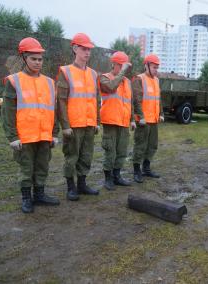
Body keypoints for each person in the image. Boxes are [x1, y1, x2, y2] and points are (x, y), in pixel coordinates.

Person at [2, 37, 60, 213]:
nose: (37, 62)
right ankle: (27, 198)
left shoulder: (50, 82)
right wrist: (13, 137)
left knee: (42, 166)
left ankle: (40, 194)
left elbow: (53, 110)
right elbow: (8, 112)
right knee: (27, 168)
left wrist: (54, 133)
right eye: (33, 59)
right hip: (25, 136)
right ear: (24, 58)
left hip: (44, 135)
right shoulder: (14, 81)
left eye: (40, 59)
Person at [56, 33, 100, 201]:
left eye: (89, 49)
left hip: (89, 123)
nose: (87, 52)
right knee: (71, 156)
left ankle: (82, 184)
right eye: (83, 49)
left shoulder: (93, 74)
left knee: (86, 155)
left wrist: (96, 121)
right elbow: (61, 101)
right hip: (73, 125)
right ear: (75, 49)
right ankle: (70, 187)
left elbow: (96, 99)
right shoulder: (66, 72)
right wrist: (65, 125)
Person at [99, 51, 136, 190]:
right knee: (110, 151)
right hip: (110, 121)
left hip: (124, 121)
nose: (124, 69)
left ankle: (117, 175)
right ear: (113, 64)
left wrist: (132, 119)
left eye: (125, 67)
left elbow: (129, 102)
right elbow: (111, 87)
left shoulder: (127, 82)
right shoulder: (104, 78)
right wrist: (122, 72)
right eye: (121, 66)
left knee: (122, 151)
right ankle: (108, 178)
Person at [131, 54, 164, 183]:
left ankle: (146, 168)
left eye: (157, 67)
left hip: (154, 120)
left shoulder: (156, 80)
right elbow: (137, 101)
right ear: (146, 66)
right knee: (140, 145)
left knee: (152, 145)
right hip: (144, 121)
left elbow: (158, 99)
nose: (156, 70)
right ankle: (136, 170)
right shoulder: (139, 79)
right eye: (154, 67)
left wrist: (161, 113)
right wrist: (141, 117)